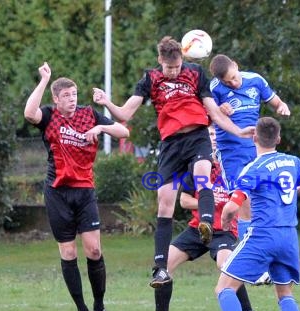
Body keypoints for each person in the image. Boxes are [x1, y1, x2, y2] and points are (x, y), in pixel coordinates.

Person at [93, 37, 253, 288]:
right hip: (170, 145)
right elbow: (125, 114)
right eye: (169, 68)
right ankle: (160, 269)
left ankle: (206, 223)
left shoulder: (195, 73)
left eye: (177, 67)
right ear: (160, 61)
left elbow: (213, 111)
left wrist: (238, 131)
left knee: (202, 175)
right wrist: (106, 102)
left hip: (197, 138)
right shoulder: (150, 79)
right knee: (164, 204)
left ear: (182, 61)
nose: (174, 72)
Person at [24, 62, 129, 311]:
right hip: (58, 193)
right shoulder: (48, 116)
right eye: (67, 96)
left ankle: (99, 306)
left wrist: (101, 129)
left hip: (84, 191)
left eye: (75, 95)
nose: (73, 100)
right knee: (69, 252)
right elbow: (28, 113)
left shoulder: (89, 114)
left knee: (94, 250)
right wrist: (44, 79)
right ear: (56, 99)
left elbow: (124, 131)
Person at [208, 117, 300, 311]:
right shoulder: (292, 162)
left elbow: (233, 206)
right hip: (289, 236)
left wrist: (225, 221)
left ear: (254, 138)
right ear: (279, 138)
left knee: (224, 287)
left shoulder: (253, 168)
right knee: (285, 292)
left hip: (263, 235)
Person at [142, 125, 261, 311]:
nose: (213, 138)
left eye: (216, 134)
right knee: (164, 263)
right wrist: (206, 203)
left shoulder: (232, 168)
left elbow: (246, 199)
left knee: (227, 265)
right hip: (197, 228)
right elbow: (185, 200)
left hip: (224, 230)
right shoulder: (196, 167)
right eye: (210, 135)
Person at [209, 54, 291, 243]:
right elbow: (208, 115)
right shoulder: (214, 88)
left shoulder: (255, 80)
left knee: (262, 196)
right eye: (228, 82)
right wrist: (219, 109)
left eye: (234, 78)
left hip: (257, 149)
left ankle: (262, 242)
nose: (234, 84)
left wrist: (281, 107)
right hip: (231, 151)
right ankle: (248, 244)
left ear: (236, 66)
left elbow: (276, 102)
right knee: (243, 199)